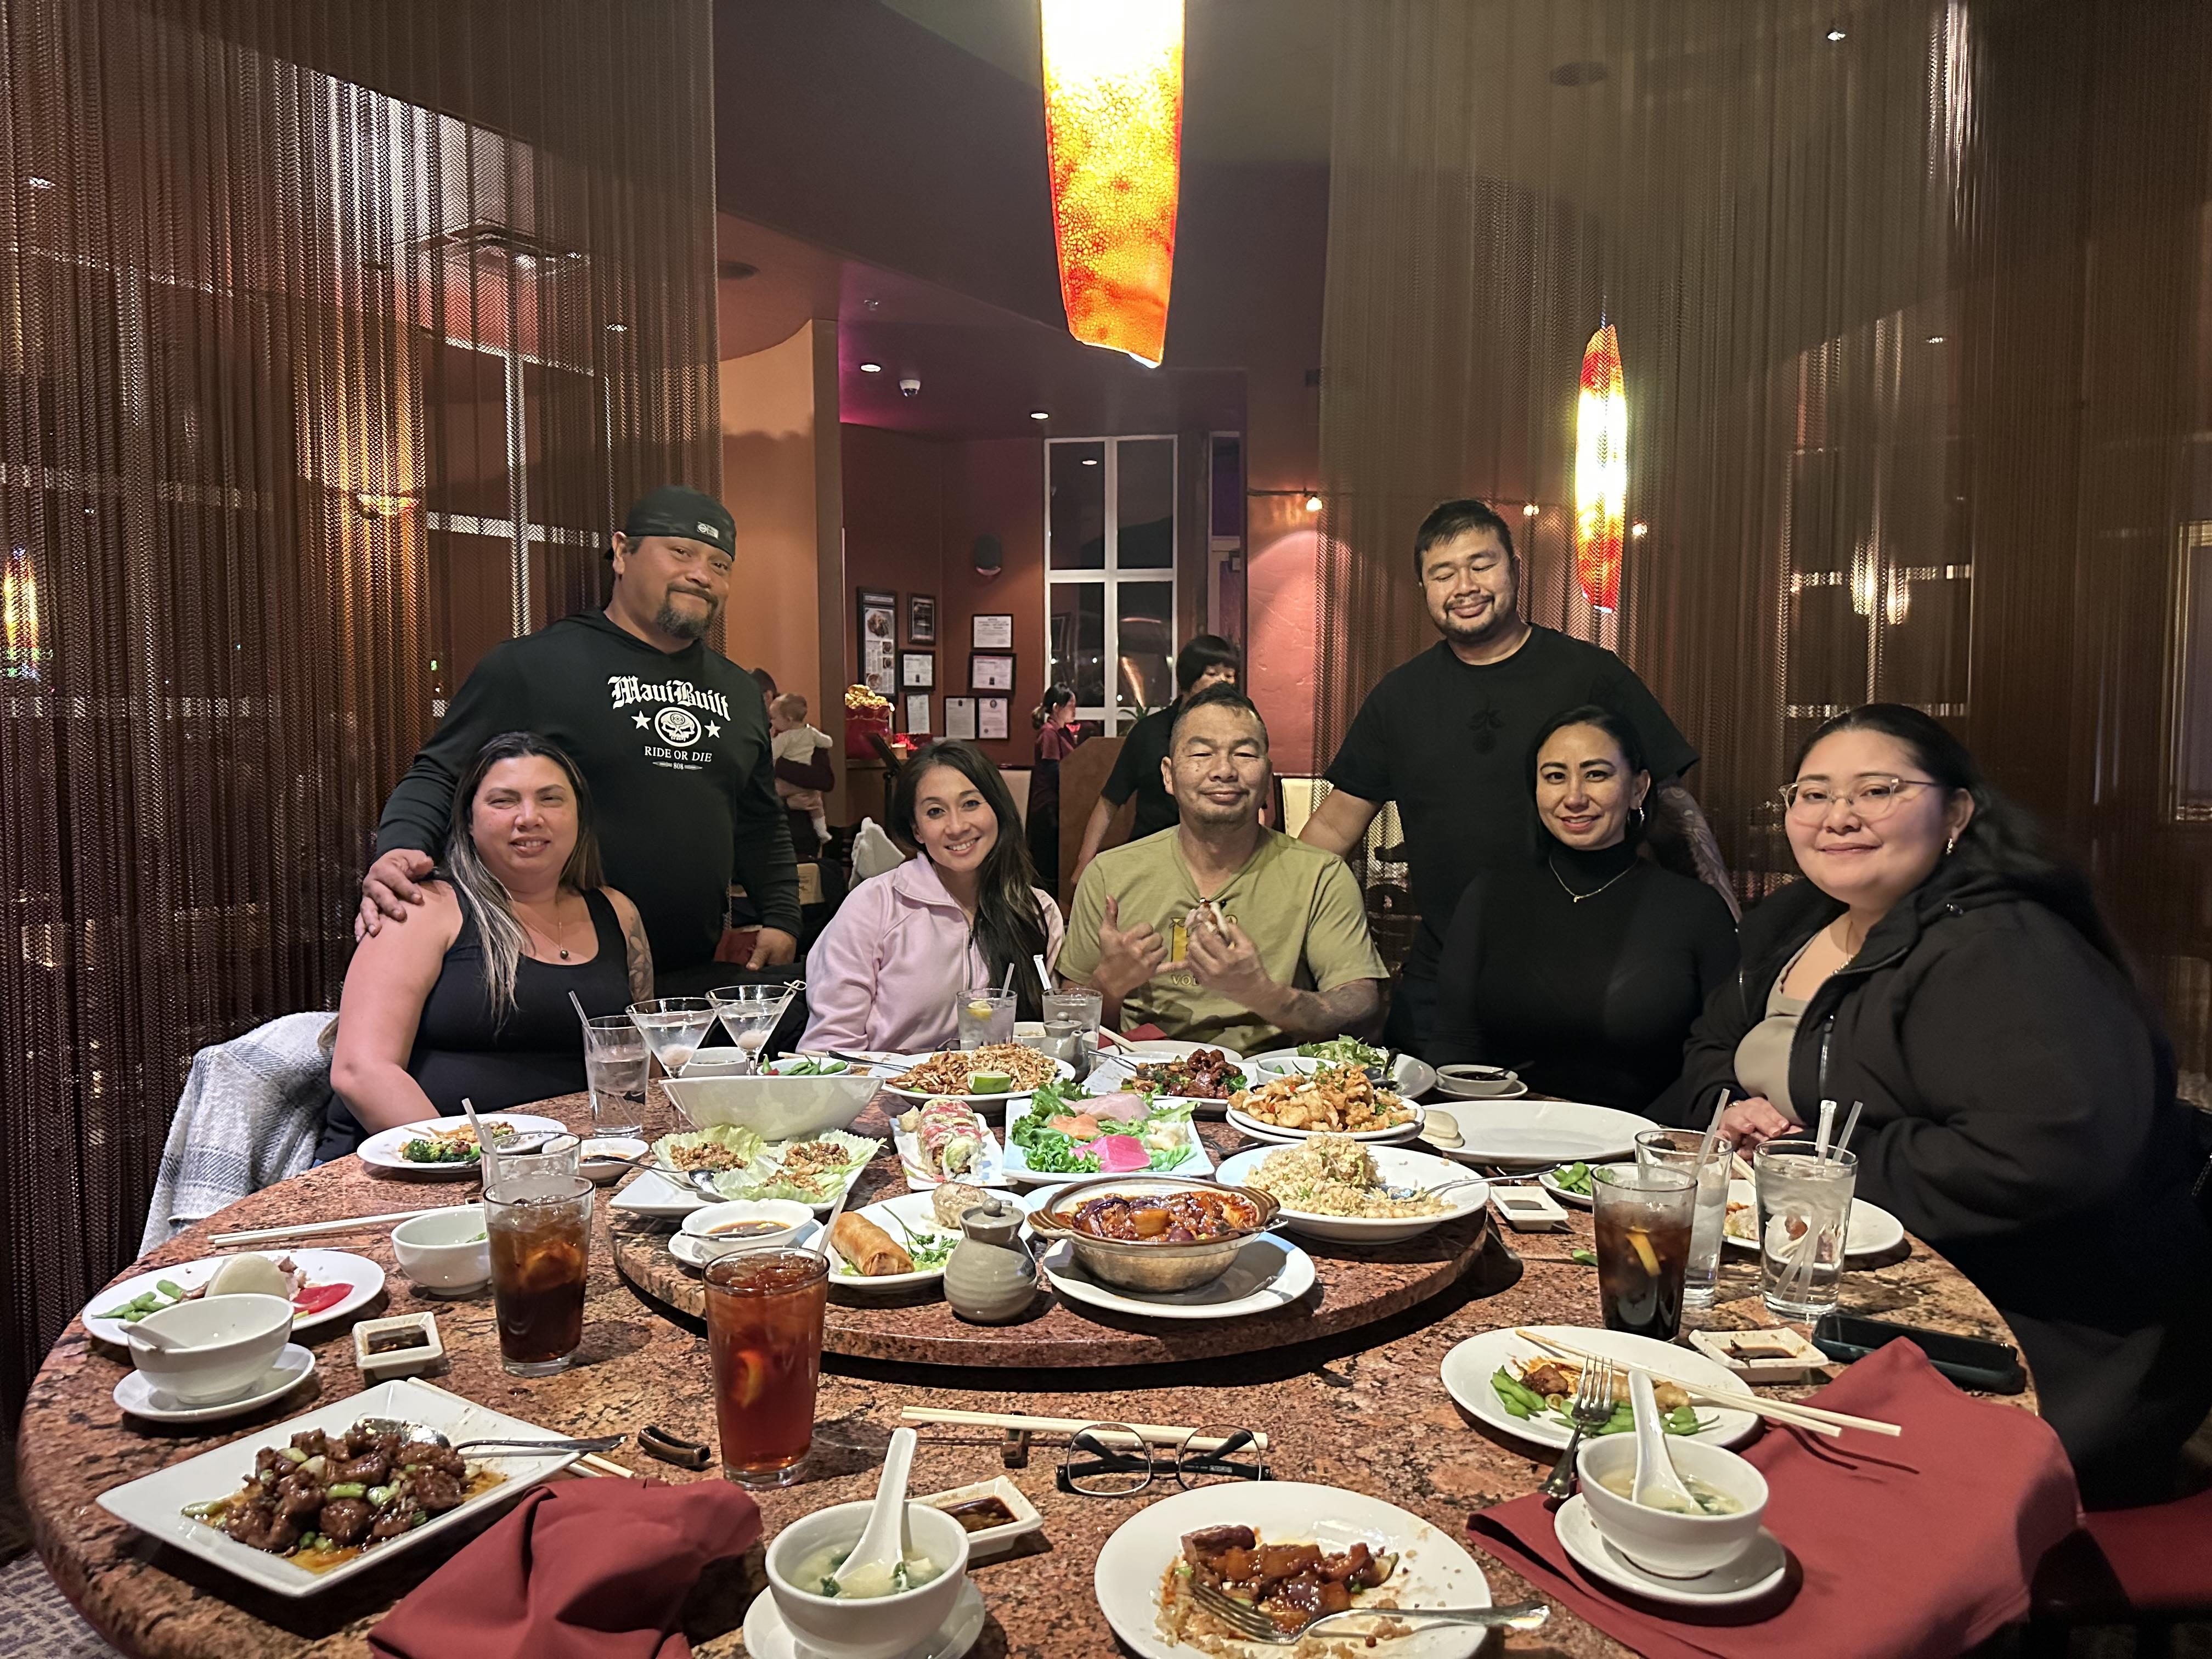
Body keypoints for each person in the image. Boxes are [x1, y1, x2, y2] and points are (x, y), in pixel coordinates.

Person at [1663, 703, 2212, 1505]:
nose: (1838, 816)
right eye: (1812, 794)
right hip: (1823, 1277)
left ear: (1956, 812)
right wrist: (1732, 1107)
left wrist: (1807, 1159)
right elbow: (1708, 1047)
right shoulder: (1792, 922)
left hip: (2037, 1336)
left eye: (1877, 789)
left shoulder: (2003, 947)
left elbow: (2041, 1156)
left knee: (1761, 1473)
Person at [1301, 498, 1718, 1054]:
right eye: (1443, 573)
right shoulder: (1401, 698)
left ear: (1515, 571)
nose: (1465, 585)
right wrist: (1269, 916)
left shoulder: (1591, 675)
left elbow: (1672, 812)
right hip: (1446, 964)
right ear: (1424, 588)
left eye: (1482, 564)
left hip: (1584, 964)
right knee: (1420, 1117)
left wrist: (1714, 923)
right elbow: (1333, 829)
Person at [358, 486, 802, 994]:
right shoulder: (532, 667)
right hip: (549, 972)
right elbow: (440, 775)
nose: (701, 574)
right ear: (622, 552)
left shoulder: (740, 691)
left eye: (720, 565)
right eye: (681, 552)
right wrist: (400, 851)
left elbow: (760, 820)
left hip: (689, 972)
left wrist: (782, 916)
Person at [322, 733, 652, 1160]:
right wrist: (477, 1166)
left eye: (551, 799)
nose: (529, 817)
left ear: (580, 818)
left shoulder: (617, 912)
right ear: (469, 821)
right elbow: (360, 1071)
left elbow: (643, 1054)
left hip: (578, 1166)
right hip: (421, 1170)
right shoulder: (421, 908)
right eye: (503, 801)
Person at [1430, 706, 1736, 1110]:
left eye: (1597, 774)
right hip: (1503, 1140)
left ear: (1638, 789)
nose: (1574, 798)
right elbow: (1454, 1041)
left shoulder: (1695, 910)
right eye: (1555, 777)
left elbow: (1720, 1057)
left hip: (1642, 1149)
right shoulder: (1491, 894)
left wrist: (1641, 1146)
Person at [1058, 685, 1387, 1053]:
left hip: (1274, 1091)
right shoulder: (1109, 875)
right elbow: (1069, 1028)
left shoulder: (1320, 875)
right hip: (1142, 1085)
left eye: (1244, 754)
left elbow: (1361, 1006)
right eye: (1202, 753)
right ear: (1168, 775)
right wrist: (1109, 984)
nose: (1224, 771)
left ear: (1267, 776)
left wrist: (1261, 993)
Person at [802, 741, 1065, 1053]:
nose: (956, 827)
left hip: (1008, 1095)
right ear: (917, 830)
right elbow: (830, 1051)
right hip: (888, 1095)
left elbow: (1047, 1036)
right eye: (935, 812)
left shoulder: (1035, 911)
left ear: (997, 808)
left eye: (970, 804)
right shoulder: (875, 905)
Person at [1072, 634, 1242, 884]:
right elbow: (1110, 800)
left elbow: (1254, 807)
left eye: (1229, 676)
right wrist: (1084, 863)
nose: (1223, 683)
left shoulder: (1239, 732)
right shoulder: (1149, 733)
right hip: (1150, 859)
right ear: (1187, 680)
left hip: (1217, 862)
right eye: (1212, 673)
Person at [1028, 684, 1082, 893]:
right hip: (1048, 807)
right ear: (1057, 708)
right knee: (1048, 864)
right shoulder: (1049, 733)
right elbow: (1053, 771)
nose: (1075, 711)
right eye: (1071, 706)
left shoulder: (1062, 733)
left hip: (1059, 805)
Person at [769, 692, 832, 854]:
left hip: (800, 832)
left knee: (814, 804)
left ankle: (821, 833)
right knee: (816, 806)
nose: (771, 721)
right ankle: (822, 831)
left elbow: (825, 780)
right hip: (773, 826)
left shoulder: (790, 736)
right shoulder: (807, 733)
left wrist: (779, 766)